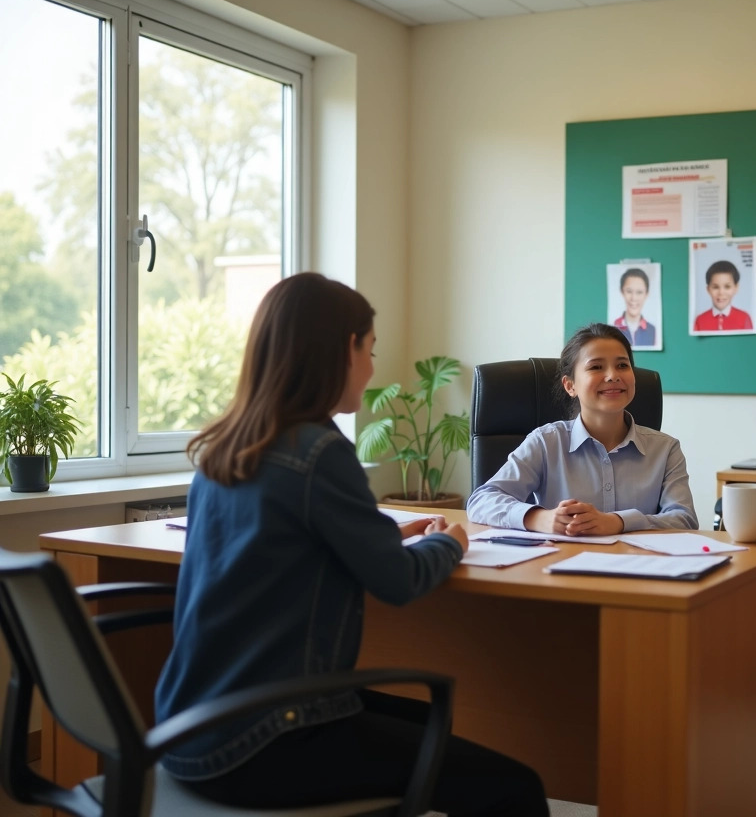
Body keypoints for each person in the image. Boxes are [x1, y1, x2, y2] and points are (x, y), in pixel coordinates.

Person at [154, 273, 548, 816]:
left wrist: (379, 534)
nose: (371, 367)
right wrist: (452, 541)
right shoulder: (319, 452)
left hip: (188, 729)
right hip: (268, 740)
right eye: (370, 349)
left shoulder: (226, 448)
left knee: (419, 721)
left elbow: (277, 545)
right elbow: (399, 581)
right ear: (345, 349)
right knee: (516, 788)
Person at [466, 323, 697, 534]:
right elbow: (482, 501)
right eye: (596, 366)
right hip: (558, 570)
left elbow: (684, 519)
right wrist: (540, 518)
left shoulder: (666, 450)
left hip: (640, 571)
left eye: (622, 365)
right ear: (570, 385)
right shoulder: (546, 442)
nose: (612, 376)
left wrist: (618, 522)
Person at [692, 260, 753, 332]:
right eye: (715, 287)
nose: (721, 292)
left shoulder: (744, 318)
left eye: (727, 287)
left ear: (736, 288)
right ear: (708, 289)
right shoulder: (700, 320)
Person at [612, 267, 657, 346]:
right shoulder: (613, 328)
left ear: (646, 294)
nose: (634, 298)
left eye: (639, 292)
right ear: (622, 291)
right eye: (629, 291)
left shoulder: (652, 330)